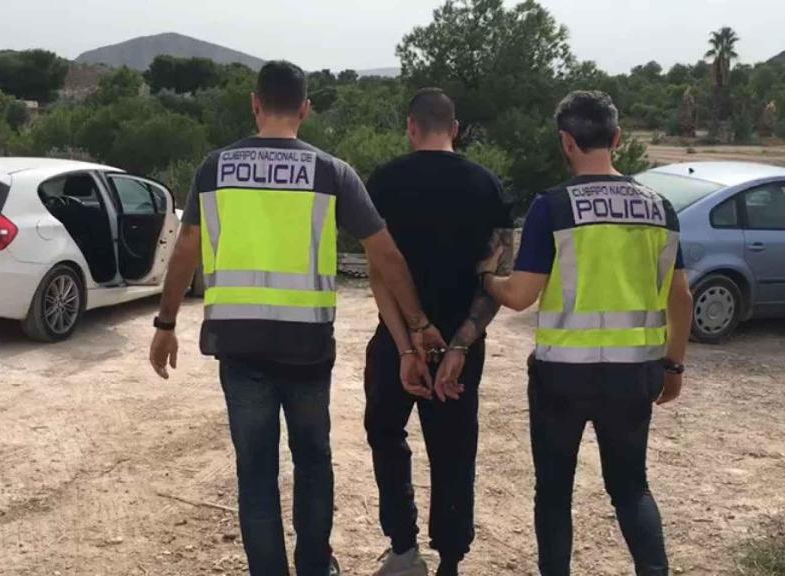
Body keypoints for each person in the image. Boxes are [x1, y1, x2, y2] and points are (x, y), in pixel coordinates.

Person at [148, 60, 445, 576]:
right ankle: (314, 566)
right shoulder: (331, 172)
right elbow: (385, 255)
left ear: (255, 103)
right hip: (306, 347)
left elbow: (186, 248)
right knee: (313, 463)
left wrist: (166, 323)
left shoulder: (215, 168)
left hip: (238, 347)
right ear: (305, 109)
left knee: (256, 474)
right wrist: (418, 324)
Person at [479, 91, 693, 576]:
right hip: (635, 375)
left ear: (565, 142)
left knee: (553, 492)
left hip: (562, 379)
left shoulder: (552, 207)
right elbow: (681, 296)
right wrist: (674, 366)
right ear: (617, 139)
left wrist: (485, 277)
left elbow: (520, 295)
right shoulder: (660, 208)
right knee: (632, 489)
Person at [364, 88, 514, 576]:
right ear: (455, 128)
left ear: (411, 127)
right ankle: (451, 559)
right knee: (454, 451)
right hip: (461, 346)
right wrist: (458, 347)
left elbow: (379, 273)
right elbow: (494, 279)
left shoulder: (382, 183)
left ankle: (404, 549)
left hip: (395, 340)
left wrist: (408, 343)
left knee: (387, 435)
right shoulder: (487, 186)